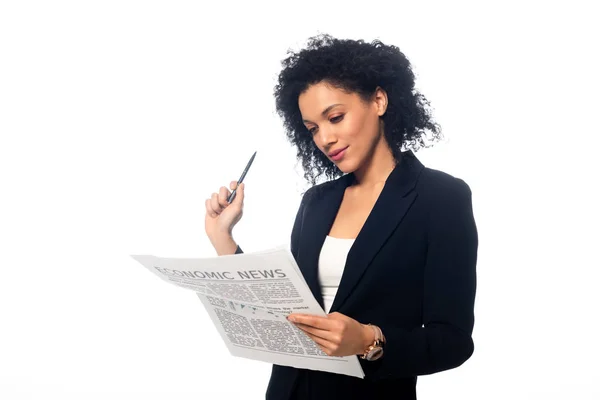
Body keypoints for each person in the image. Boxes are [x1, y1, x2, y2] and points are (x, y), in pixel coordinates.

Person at [204, 34, 478, 400]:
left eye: (335, 117)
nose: (326, 139)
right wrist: (224, 238)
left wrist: (369, 340)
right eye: (313, 129)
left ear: (379, 100)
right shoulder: (316, 202)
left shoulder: (440, 197)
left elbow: (453, 340)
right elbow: (288, 309)